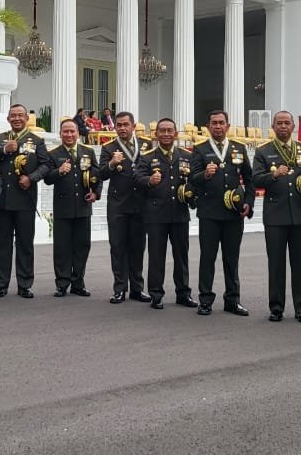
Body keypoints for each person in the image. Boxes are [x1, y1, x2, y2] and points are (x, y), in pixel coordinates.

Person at [251, 110, 301, 324]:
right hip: (276, 215)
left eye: (287, 123)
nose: (283, 126)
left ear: (293, 126)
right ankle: (276, 307)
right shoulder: (263, 151)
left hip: (299, 214)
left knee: (300, 264)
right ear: (273, 127)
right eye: (279, 123)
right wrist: (273, 175)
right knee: (276, 264)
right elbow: (256, 180)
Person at [190, 110, 255, 316]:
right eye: (214, 123)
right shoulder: (200, 150)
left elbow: (250, 179)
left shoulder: (239, 148)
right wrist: (205, 174)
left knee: (231, 258)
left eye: (221, 123)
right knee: (207, 258)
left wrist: (249, 203)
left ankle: (232, 300)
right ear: (208, 127)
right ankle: (205, 300)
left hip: (233, 214)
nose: (217, 126)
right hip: (209, 213)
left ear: (227, 126)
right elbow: (192, 179)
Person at [133, 117, 199, 310]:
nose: (166, 134)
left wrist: (191, 195)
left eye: (170, 130)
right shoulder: (147, 157)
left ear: (176, 133)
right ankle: (156, 294)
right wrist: (149, 181)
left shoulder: (186, 155)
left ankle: (183, 294)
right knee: (156, 256)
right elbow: (137, 178)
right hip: (156, 214)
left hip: (179, 213)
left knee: (181, 256)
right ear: (156, 134)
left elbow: (193, 181)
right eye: (162, 131)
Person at [0, 104, 50, 298]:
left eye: (20, 116)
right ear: (8, 119)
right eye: (13, 116)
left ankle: (25, 284)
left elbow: (46, 165)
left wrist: (31, 178)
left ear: (27, 118)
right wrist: (3, 150)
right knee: (2, 244)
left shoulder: (37, 140)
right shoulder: (1, 139)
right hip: (3, 200)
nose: (17, 119)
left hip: (25, 199)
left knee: (25, 243)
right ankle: (1, 284)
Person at [44, 118, 101, 298]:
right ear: (60, 134)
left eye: (72, 131)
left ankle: (78, 282)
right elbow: (47, 179)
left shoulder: (88, 151)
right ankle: (62, 283)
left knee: (82, 246)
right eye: (65, 132)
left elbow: (97, 175)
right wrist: (59, 171)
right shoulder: (53, 153)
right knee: (62, 247)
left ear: (78, 133)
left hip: (83, 206)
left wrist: (96, 193)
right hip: (63, 207)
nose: (69, 135)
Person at [100, 111, 149, 304]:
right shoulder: (108, 148)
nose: (121, 128)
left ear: (133, 126)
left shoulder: (146, 145)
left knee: (138, 247)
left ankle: (137, 288)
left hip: (140, 204)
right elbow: (100, 174)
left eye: (125, 125)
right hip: (118, 205)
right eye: (118, 125)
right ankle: (119, 288)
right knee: (118, 247)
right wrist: (112, 163)